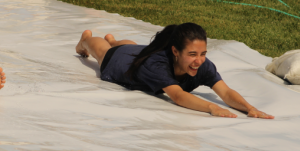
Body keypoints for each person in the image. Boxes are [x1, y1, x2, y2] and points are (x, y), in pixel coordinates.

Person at [75, 23, 274, 118]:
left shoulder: (202, 65)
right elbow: (178, 96)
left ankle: (114, 40)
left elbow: (226, 92)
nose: (199, 61)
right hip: (118, 61)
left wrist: (249, 108)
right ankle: (85, 40)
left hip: (138, 52)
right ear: (175, 52)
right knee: (102, 49)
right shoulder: (157, 66)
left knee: (133, 47)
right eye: (193, 54)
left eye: (203, 53)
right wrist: (212, 108)